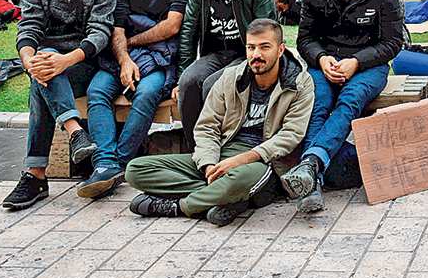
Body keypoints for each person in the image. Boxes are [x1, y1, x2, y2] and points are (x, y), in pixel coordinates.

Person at [125, 19, 315, 226]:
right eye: (251, 47)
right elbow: (207, 125)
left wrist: (240, 160)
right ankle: (227, 199)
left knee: (238, 181)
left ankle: (179, 206)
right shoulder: (232, 77)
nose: (256, 55)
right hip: (221, 154)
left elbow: (291, 135)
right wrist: (208, 163)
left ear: (280, 50)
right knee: (135, 170)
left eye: (265, 47)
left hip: (262, 162)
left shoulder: (299, 83)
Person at [283, 0, 404, 213]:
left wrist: (357, 62)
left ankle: (310, 165)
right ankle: (312, 178)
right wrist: (321, 58)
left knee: (350, 100)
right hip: (326, 64)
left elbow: (393, 42)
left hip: (368, 64)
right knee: (319, 103)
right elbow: (304, 39)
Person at [2, 0, 116, 211]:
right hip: (49, 67)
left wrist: (65, 59)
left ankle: (35, 175)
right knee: (43, 68)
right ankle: (74, 132)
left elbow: (100, 33)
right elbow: (28, 28)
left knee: (45, 72)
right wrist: (29, 61)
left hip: (86, 65)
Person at [78, 0, 193, 199]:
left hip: (161, 59)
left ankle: (118, 163)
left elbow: (171, 27)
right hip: (121, 59)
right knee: (97, 91)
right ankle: (105, 162)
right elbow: (117, 29)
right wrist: (126, 59)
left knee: (148, 93)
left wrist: (132, 42)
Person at [175, 0, 276, 153]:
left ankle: (222, 147)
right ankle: (197, 150)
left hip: (246, 56)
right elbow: (188, 32)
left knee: (213, 85)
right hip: (215, 54)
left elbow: (268, 33)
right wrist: (182, 73)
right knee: (189, 82)